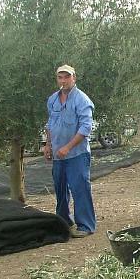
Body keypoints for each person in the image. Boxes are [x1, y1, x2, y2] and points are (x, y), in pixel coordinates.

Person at [44, 64, 97, 238]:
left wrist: (68, 147)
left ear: (74, 78)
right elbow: (50, 124)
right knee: (60, 189)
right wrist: (48, 145)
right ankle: (64, 222)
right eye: (60, 77)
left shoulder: (82, 100)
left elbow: (86, 128)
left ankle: (86, 225)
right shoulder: (52, 99)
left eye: (67, 77)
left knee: (79, 187)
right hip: (58, 155)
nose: (63, 80)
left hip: (77, 154)